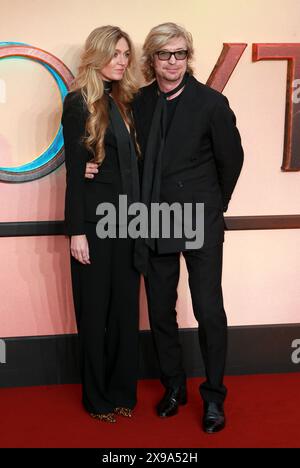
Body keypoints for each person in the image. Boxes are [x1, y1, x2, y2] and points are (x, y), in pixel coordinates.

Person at [85, 22, 244, 433]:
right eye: (164, 54)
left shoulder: (211, 103)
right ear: (152, 59)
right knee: (159, 311)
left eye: (180, 54)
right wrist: (88, 166)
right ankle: (174, 387)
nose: (173, 62)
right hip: (153, 217)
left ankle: (214, 397)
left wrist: (213, 207)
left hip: (200, 218)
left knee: (209, 310)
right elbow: (120, 152)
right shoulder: (138, 102)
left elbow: (232, 161)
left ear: (188, 58)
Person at [62, 26, 141, 423]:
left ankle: (123, 390)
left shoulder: (128, 102)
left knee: (125, 312)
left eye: (126, 54)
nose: (122, 61)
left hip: (130, 224)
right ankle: (96, 398)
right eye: (115, 54)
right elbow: (76, 174)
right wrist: (77, 230)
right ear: (97, 56)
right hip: (94, 226)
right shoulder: (78, 103)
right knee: (94, 313)